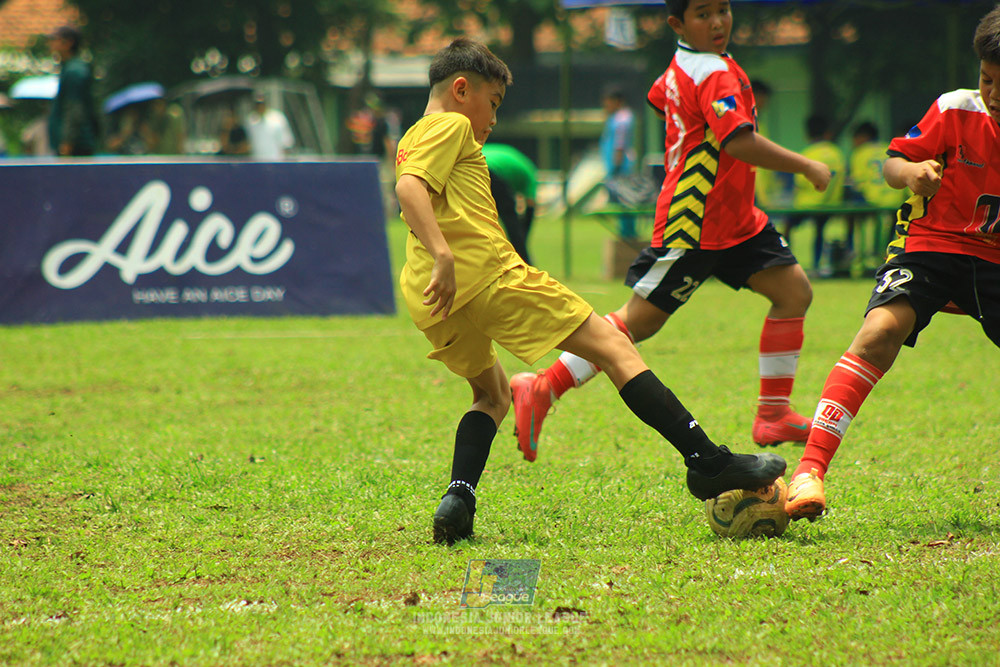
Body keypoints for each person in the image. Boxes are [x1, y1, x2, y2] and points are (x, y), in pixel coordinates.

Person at [394, 37, 786, 544]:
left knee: (491, 395)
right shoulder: (447, 124)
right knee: (614, 345)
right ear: (461, 88)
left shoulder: (412, 134)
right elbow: (408, 188)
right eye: (492, 104)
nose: (492, 120)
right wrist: (445, 254)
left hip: (435, 303)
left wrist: (441, 262)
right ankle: (706, 461)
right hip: (486, 276)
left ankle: (459, 497)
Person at [510, 0, 832, 461]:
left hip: (738, 219)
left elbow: (659, 96)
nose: (718, 21)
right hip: (696, 221)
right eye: (703, 14)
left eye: (723, 9)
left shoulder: (691, 63)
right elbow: (737, 141)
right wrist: (805, 165)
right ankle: (543, 387)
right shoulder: (714, 72)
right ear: (677, 23)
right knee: (636, 323)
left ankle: (774, 413)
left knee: (794, 292)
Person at [784, 6, 1000, 521]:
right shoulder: (954, 110)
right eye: (987, 79)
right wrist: (911, 173)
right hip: (931, 245)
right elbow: (890, 163)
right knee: (880, 331)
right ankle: (809, 472)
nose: (992, 94)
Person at [789, 114, 847, 276]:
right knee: (820, 231)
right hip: (831, 204)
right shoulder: (837, 152)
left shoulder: (807, 153)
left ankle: (787, 262)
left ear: (807, 134)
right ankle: (818, 264)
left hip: (807, 205)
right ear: (827, 133)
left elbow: (799, 184)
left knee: (787, 227)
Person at [47, 25, 99, 157]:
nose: (51, 43)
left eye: (55, 39)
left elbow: (74, 108)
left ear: (68, 43)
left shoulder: (74, 71)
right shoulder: (68, 68)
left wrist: (67, 142)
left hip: (76, 145)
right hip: (73, 143)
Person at [481, 142, 537, 264]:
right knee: (510, 218)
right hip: (490, 169)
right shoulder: (530, 177)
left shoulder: (517, 165)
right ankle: (524, 262)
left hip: (470, 163)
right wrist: (522, 239)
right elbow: (530, 210)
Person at [600, 87, 639, 239]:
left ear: (618, 102)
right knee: (620, 203)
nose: (606, 106)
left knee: (625, 203)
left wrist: (616, 165)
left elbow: (620, 144)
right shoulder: (616, 117)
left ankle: (628, 234)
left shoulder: (622, 119)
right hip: (616, 167)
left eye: (609, 102)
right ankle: (626, 233)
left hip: (621, 168)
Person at [245, 93, 293, 159]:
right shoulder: (251, 121)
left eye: (262, 104)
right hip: (257, 163)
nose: (260, 107)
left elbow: (286, 143)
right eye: (258, 105)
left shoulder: (278, 118)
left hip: (275, 162)